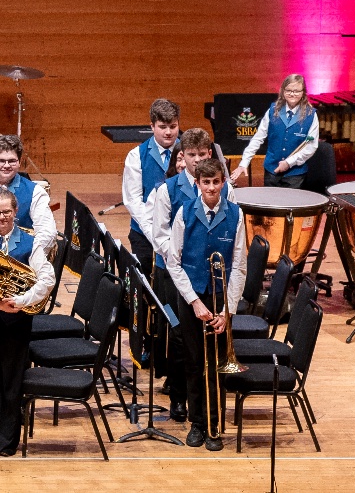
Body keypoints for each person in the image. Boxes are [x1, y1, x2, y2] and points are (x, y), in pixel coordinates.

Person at [162, 156, 246, 452]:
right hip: (192, 299)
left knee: (218, 366)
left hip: (220, 300)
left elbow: (239, 267)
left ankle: (215, 425)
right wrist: (195, 302)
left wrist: (227, 311)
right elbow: (174, 263)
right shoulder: (185, 213)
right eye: (206, 182)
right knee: (195, 363)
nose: (211, 188)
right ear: (197, 184)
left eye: (216, 182)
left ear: (224, 183)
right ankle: (198, 423)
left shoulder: (236, 215)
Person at [0, 189, 56, 457]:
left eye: (6, 212)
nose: (1, 217)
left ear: (16, 212)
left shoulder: (31, 242)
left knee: (10, 379)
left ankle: (6, 440)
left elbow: (46, 280)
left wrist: (19, 300)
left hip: (15, 318)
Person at [146, 127, 219, 422]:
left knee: (209, 337)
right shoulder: (169, 189)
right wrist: (178, 253)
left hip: (210, 276)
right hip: (173, 274)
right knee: (178, 338)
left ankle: (207, 402)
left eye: (203, 154)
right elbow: (158, 234)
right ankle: (179, 398)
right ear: (182, 156)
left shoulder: (219, 186)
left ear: (210, 154)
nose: (198, 160)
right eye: (192, 155)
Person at [0, 134, 56, 252]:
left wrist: (19, 258)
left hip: (19, 263)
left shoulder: (35, 192)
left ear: (20, 162)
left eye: (12, 161)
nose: (6, 165)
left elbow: (48, 234)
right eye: (1, 161)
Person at [122, 98, 180, 274]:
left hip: (180, 234)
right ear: (152, 126)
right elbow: (133, 202)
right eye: (163, 127)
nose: (169, 132)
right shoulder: (136, 156)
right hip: (144, 234)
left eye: (173, 126)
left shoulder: (189, 152)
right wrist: (156, 237)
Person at [233, 74, 319, 189]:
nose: (292, 94)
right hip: (271, 171)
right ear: (283, 91)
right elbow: (258, 138)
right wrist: (244, 162)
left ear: (303, 92)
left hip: (295, 175)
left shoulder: (311, 115)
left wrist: (289, 162)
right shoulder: (273, 110)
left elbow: (311, 147)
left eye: (297, 91)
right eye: (288, 90)